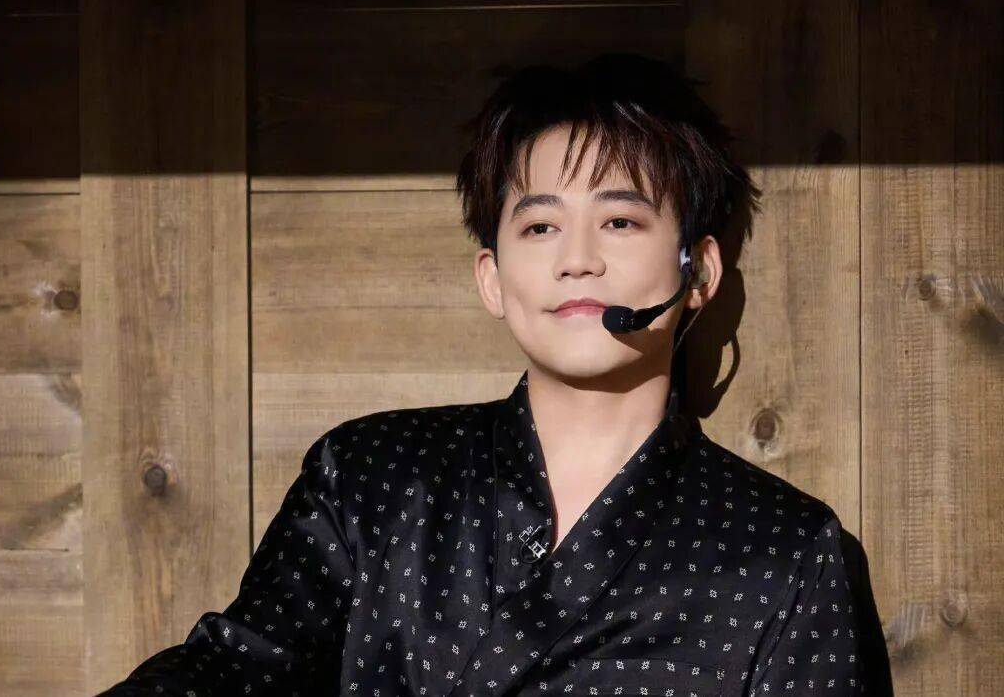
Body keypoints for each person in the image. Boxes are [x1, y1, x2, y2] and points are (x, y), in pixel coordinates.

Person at [98, 53, 888, 696]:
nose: (577, 259)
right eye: (540, 226)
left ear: (700, 271)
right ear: (492, 277)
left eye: (620, 220)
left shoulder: (786, 553)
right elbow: (236, 668)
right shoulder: (370, 479)